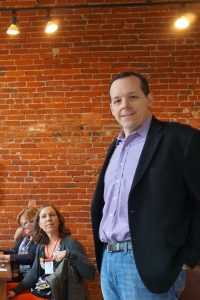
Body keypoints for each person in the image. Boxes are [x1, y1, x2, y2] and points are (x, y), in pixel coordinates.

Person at [91, 71, 200, 300]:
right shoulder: (116, 147)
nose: (125, 106)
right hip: (109, 260)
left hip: (150, 264)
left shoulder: (181, 140)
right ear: (111, 107)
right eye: (117, 100)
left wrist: (189, 256)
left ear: (149, 99)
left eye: (133, 97)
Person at [7, 205, 95, 300]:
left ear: (59, 220)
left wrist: (68, 254)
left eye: (52, 215)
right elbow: (33, 273)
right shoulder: (41, 246)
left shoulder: (70, 243)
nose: (48, 218)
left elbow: (90, 273)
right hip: (41, 292)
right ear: (39, 224)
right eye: (44, 216)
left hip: (60, 295)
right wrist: (15, 291)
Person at [0, 206, 37, 281]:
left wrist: (4, 257)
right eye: (21, 225)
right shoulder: (25, 238)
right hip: (20, 274)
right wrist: (1, 252)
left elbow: (29, 258)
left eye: (24, 224)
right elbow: (14, 252)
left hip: (28, 278)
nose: (22, 227)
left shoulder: (40, 239)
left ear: (34, 221)